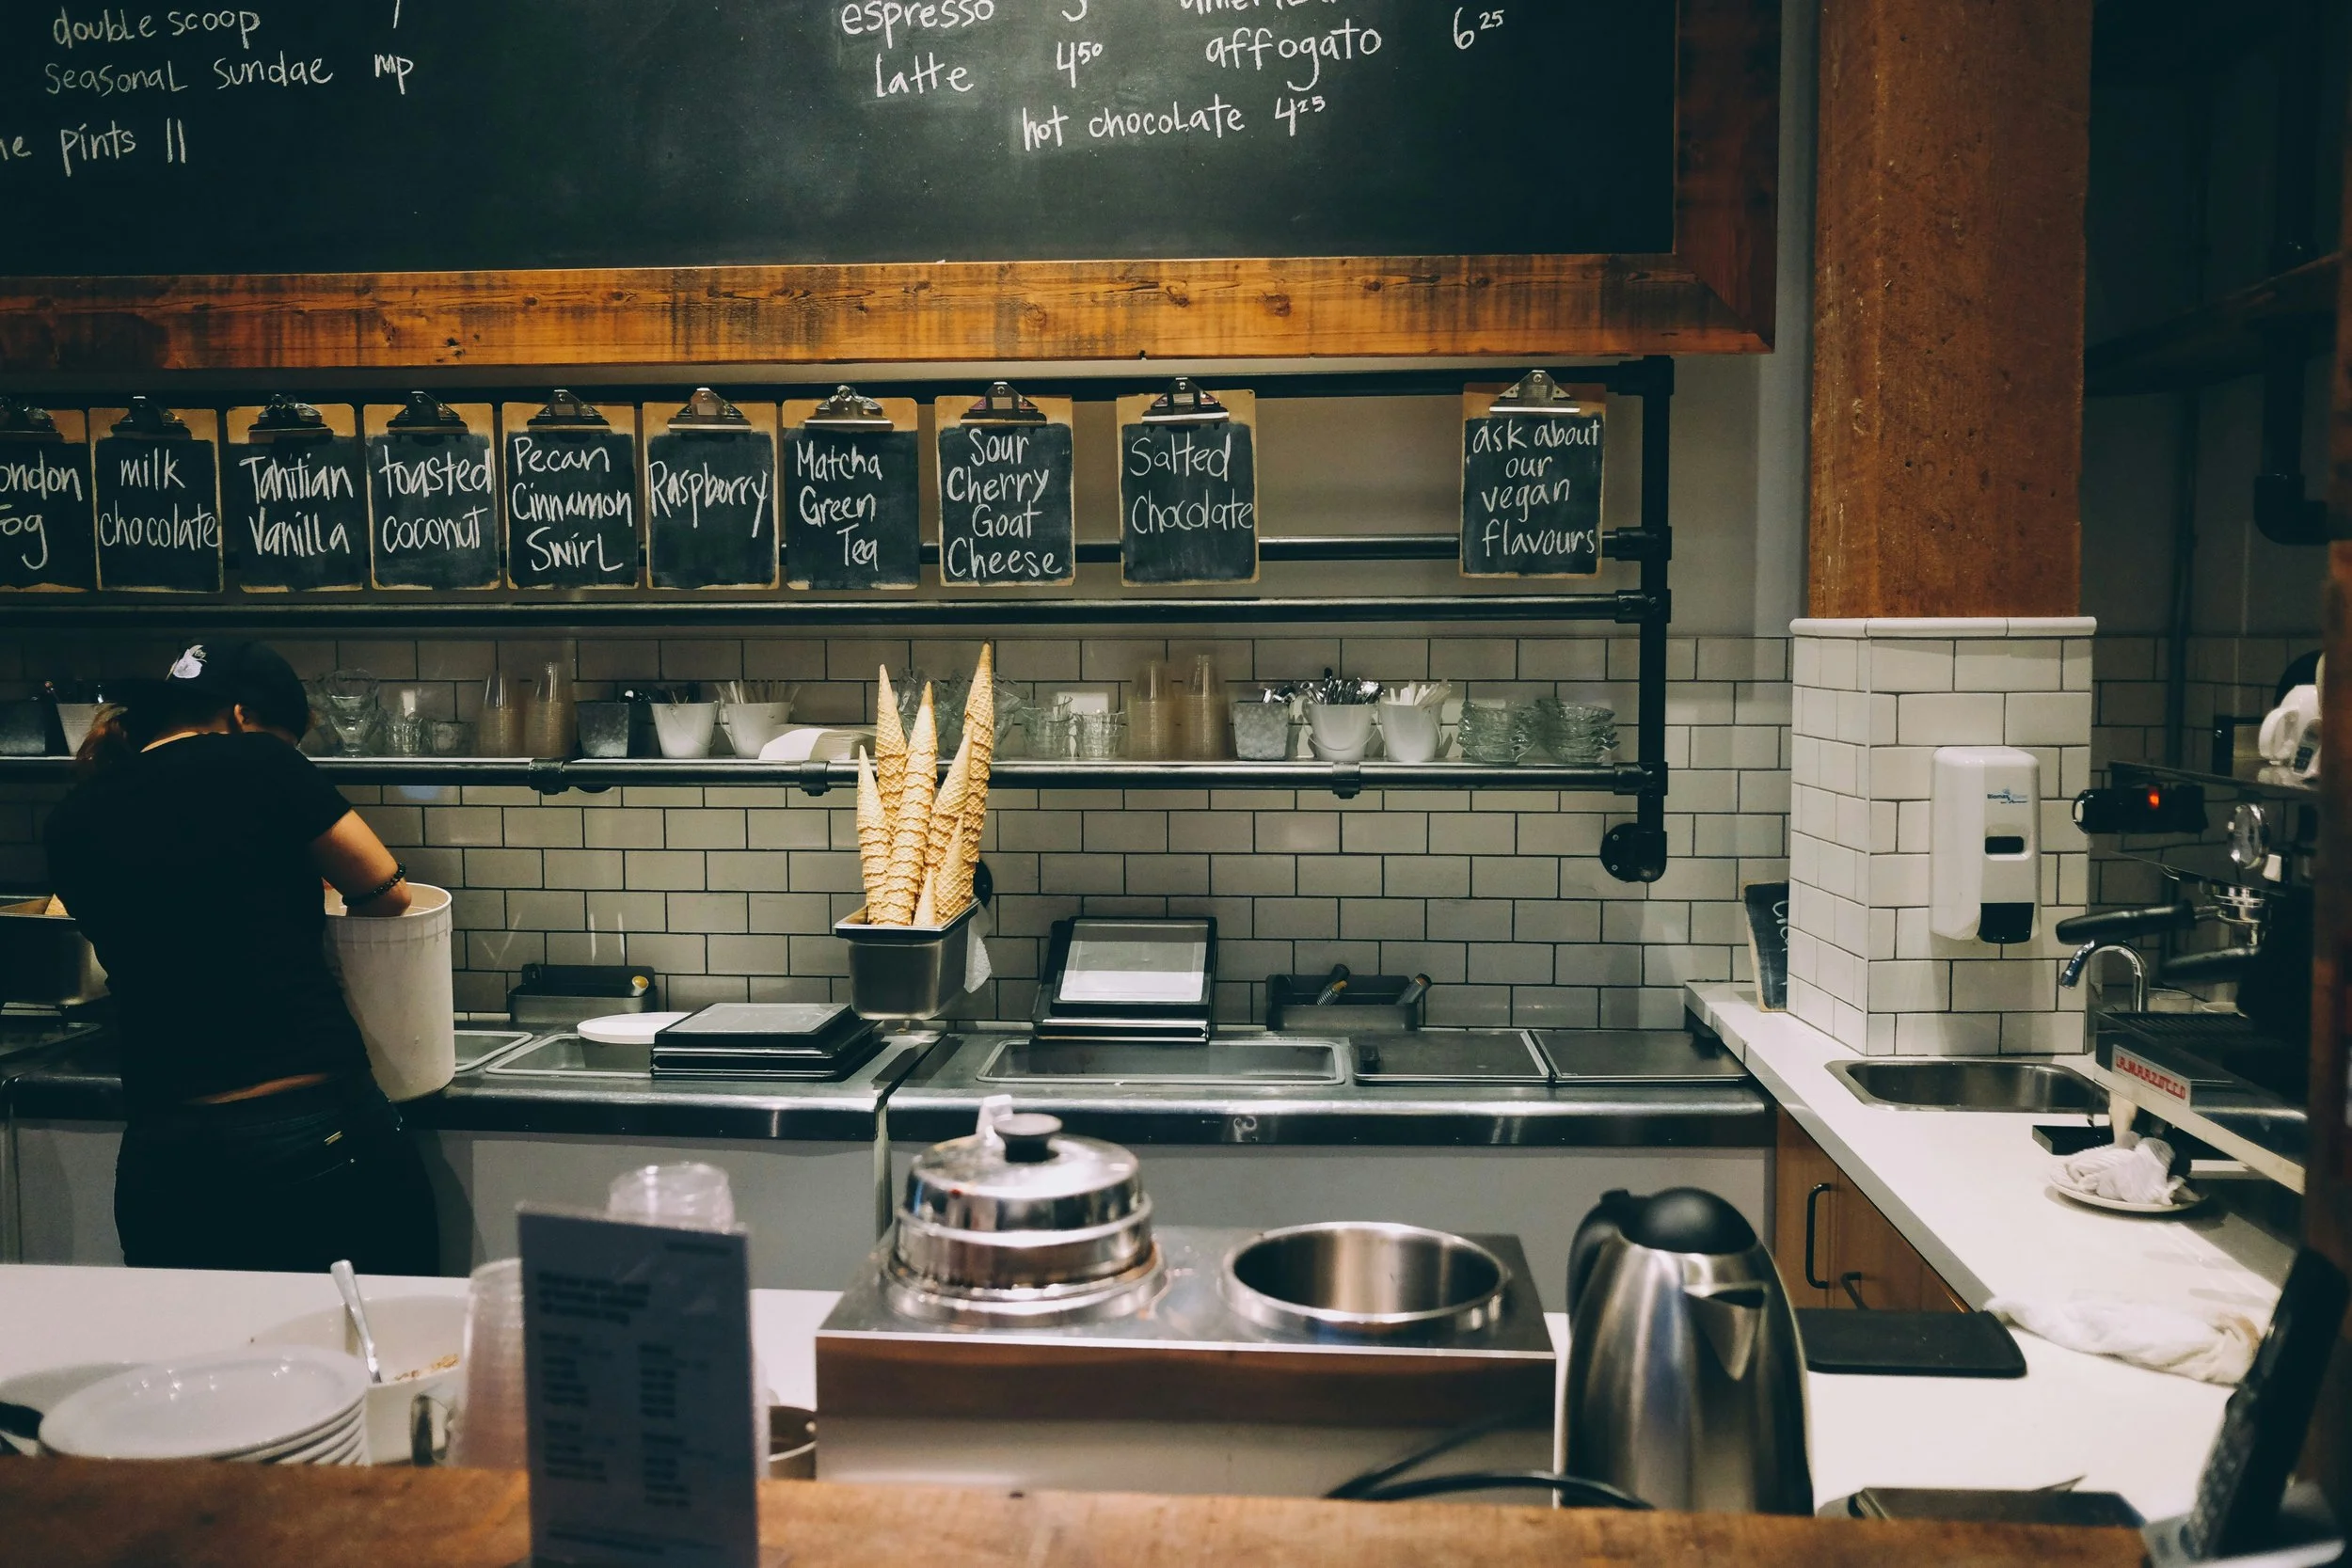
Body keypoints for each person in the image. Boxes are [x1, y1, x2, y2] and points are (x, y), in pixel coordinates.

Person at [43, 642, 439, 1275]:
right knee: (380, 1347)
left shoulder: (71, 816)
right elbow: (386, 889)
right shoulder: (261, 760)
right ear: (239, 715)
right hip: (306, 1128)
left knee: (207, 1359)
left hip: (164, 1149)